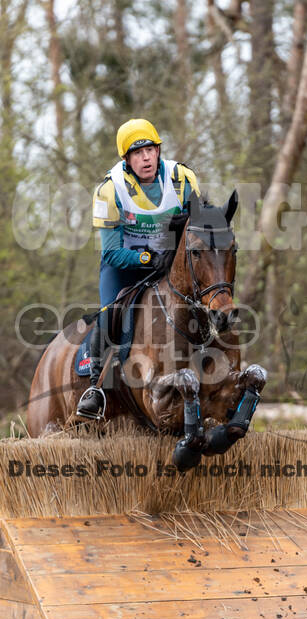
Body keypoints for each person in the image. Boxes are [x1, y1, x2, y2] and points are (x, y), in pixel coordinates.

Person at [77, 118, 200, 419]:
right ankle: (95, 388)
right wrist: (146, 259)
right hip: (124, 266)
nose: (145, 158)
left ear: (158, 151)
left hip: (170, 265)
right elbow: (112, 253)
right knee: (110, 313)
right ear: (127, 159)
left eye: (150, 150)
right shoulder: (109, 190)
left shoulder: (183, 178)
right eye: (137, 153)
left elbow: (198, 229)